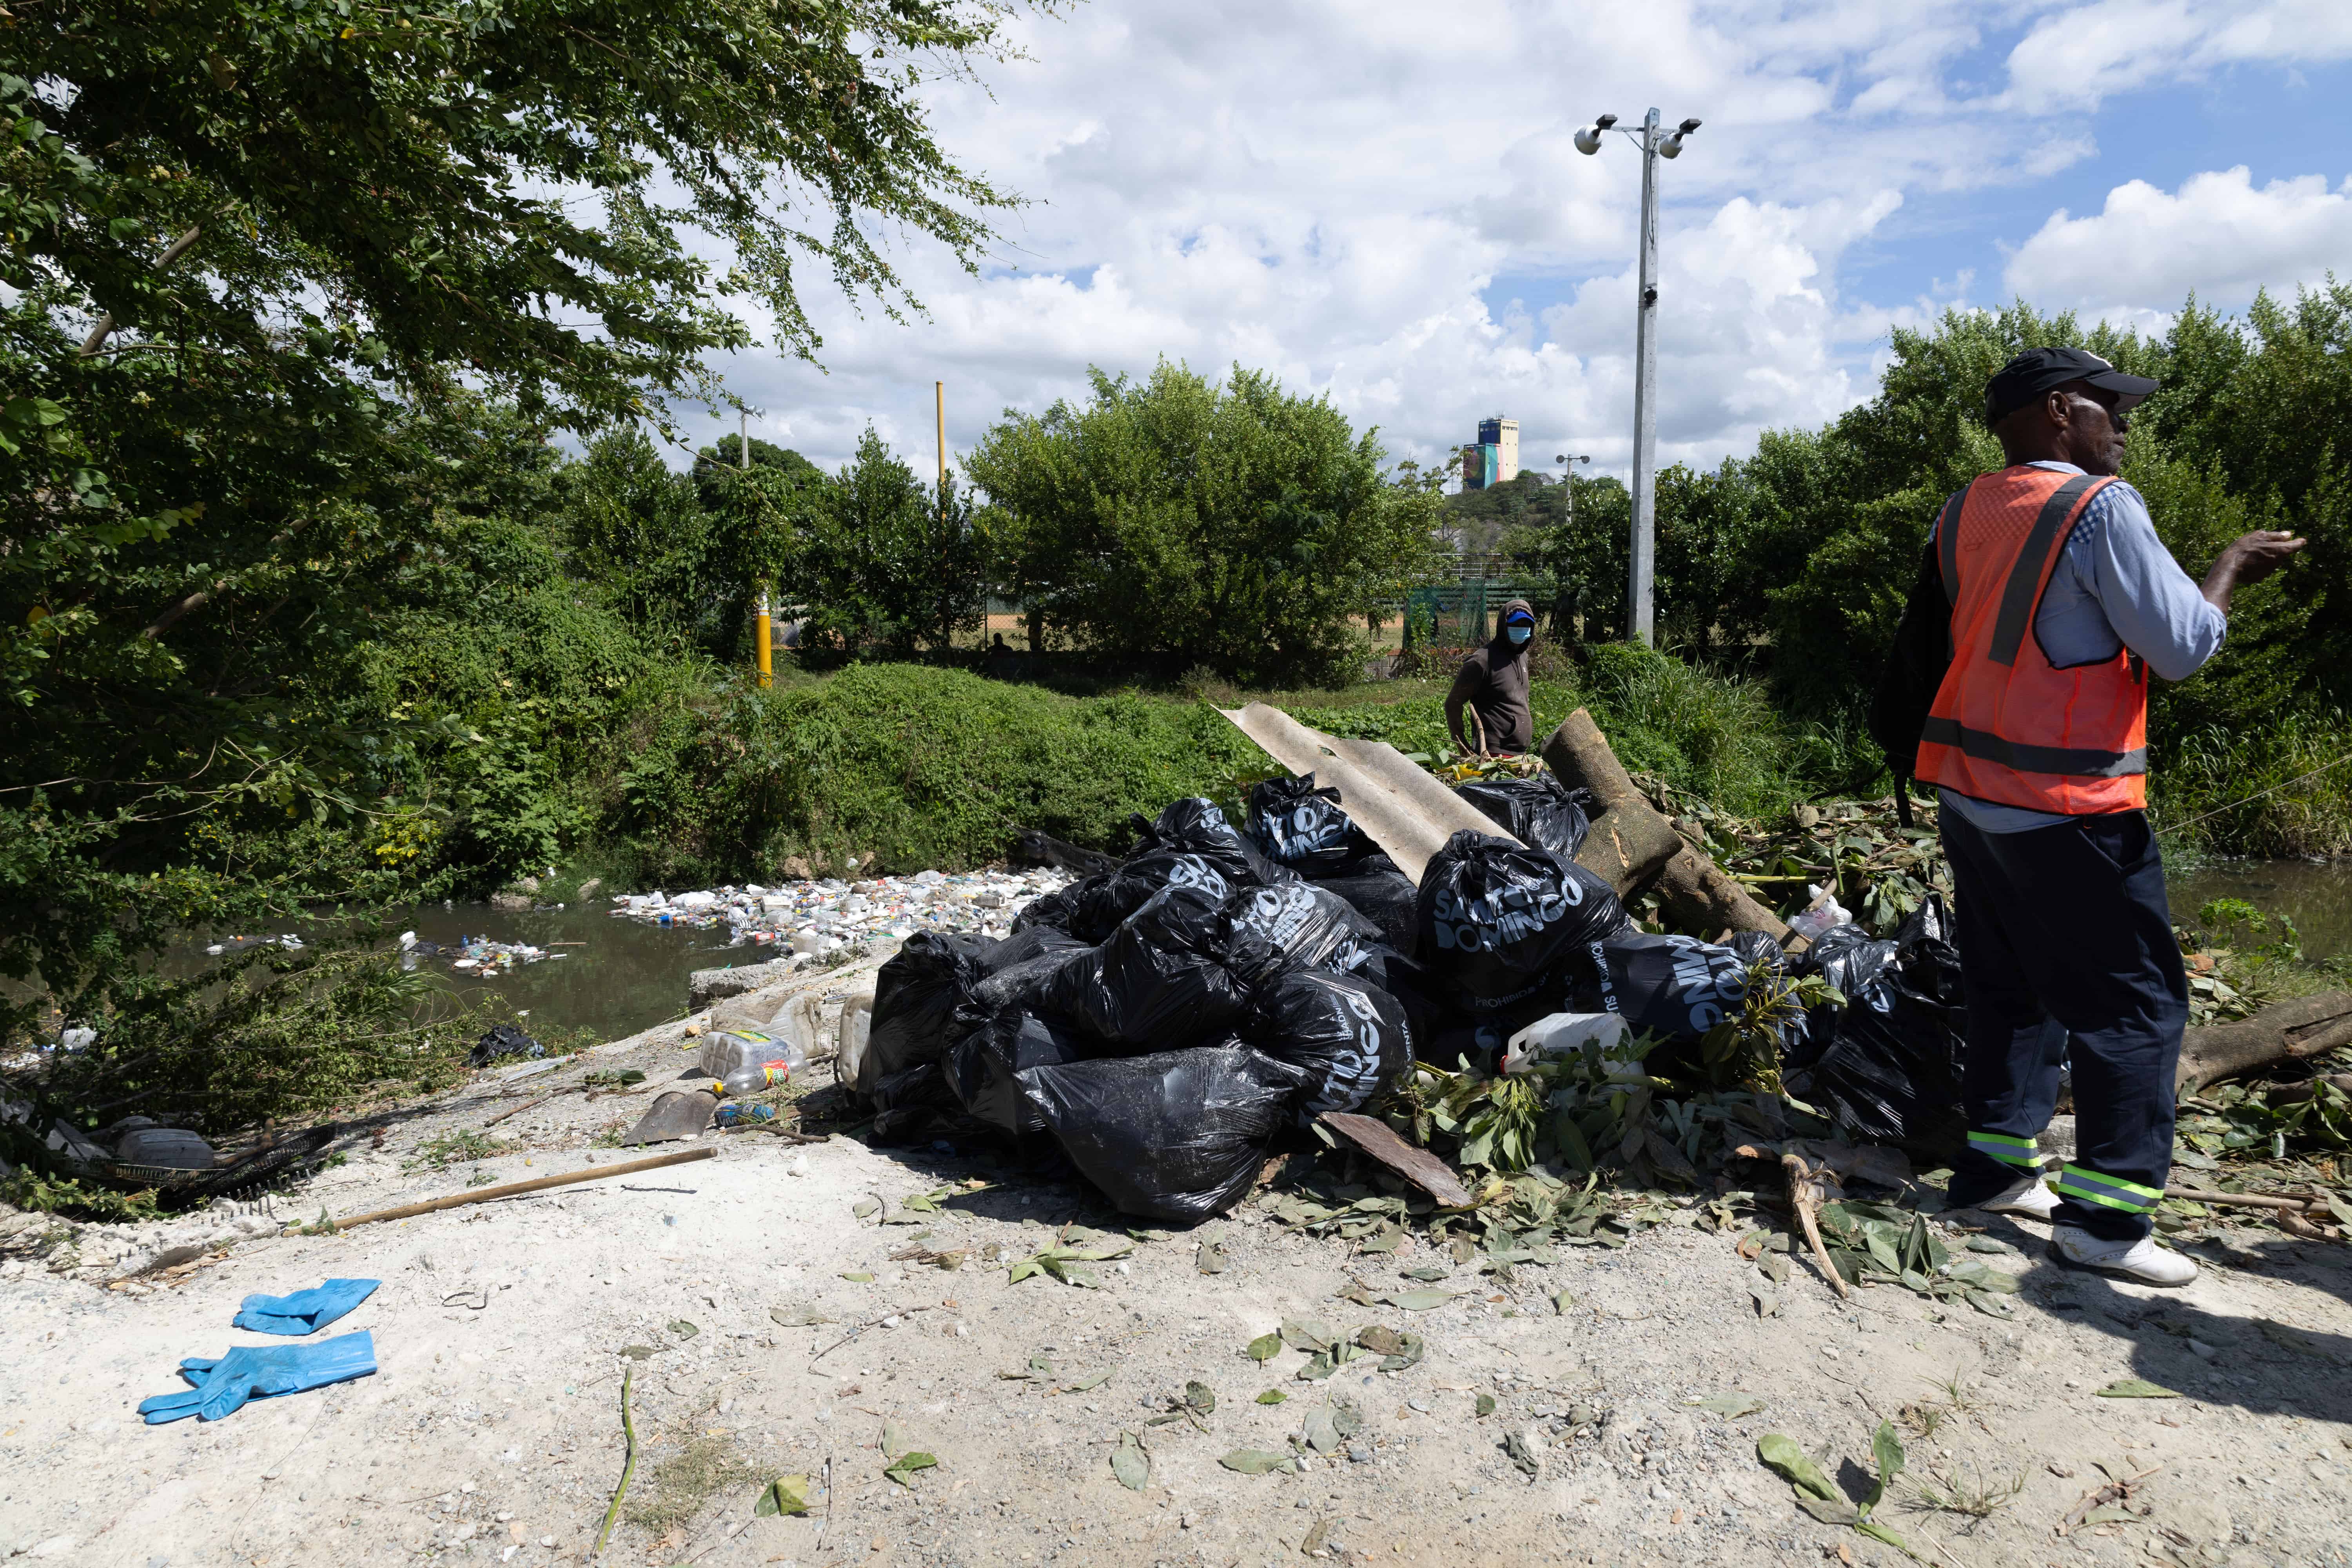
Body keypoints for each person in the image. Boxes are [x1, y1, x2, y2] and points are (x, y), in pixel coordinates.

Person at [1871, 346, 2304, 1287]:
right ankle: (2106, 1221)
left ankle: (1994, 1171)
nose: (2126, 423)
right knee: (2138, 1005)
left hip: (1972, 794)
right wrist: (2227, 565)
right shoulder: (2100, 507)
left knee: (2008, 986)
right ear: (2062, 409)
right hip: (2068, 803)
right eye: (2114, 406)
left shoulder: (1966, 508)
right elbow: (2183, 647)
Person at [1446, 599, 1539, 756]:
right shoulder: (1481, 661)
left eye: (1525, 625)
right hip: (1493, 754)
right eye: (1515, 625)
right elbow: (1453, 704)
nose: (1521, 629)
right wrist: (1461, 744)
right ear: (1503, 626)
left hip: (1520, 753)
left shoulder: (1523, 657)